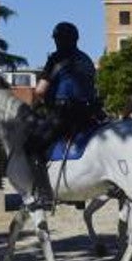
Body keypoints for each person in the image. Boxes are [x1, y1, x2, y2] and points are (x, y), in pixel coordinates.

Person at [25, 21, 101, 209]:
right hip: (89, 115)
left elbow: (40, 91)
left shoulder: (56, 58)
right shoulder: (86, 59)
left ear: (58, 40)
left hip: (64, 114)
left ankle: (45, 196)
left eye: (56, 40)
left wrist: (34, 105)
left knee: (32, 148)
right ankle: (78, 196)